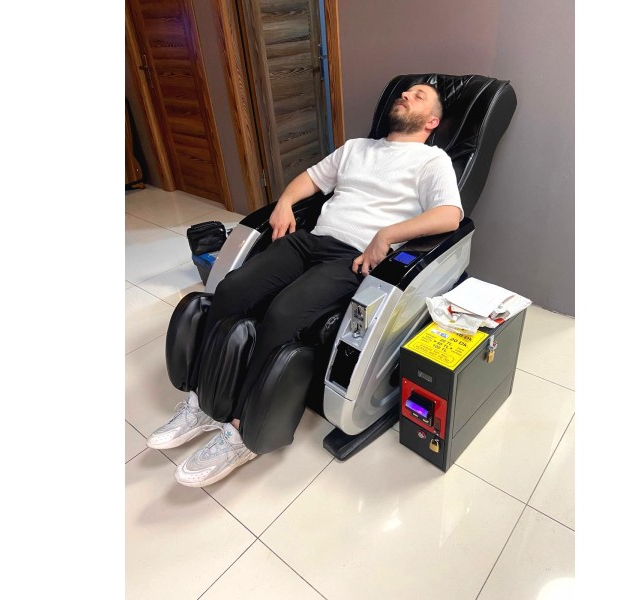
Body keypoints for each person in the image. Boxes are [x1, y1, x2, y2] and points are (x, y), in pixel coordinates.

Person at [147, 83, 464, 487]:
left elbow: (450, 216)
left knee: (284, 313)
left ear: (432, 122)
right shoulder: (356, 148)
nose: (405, 96)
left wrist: (387, 235)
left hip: (353, 257)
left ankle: (243, 430)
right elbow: (309, 181)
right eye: (404, 92)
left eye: (418, 96)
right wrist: (283, 202)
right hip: (309, 241)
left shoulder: (432, 161)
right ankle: (203, 401)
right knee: (230, 290)